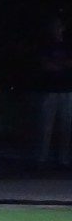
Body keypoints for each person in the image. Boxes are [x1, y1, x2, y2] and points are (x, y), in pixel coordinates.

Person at [34, 15, 72, 168]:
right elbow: (45, 65)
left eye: (59, 26)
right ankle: (42, 158)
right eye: (54, 26)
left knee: (66, 126)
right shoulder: (47, 45)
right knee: (46, 126)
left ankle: (64, 158)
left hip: (67, 90)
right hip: (49, 90)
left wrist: (58, 65)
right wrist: (61, 65)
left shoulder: (68, 45)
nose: (56, 29)